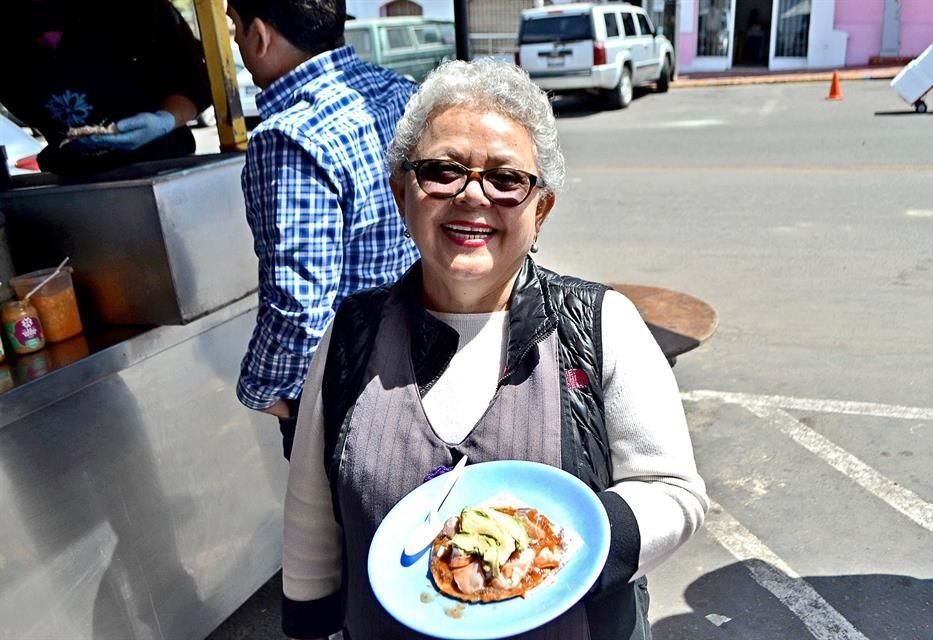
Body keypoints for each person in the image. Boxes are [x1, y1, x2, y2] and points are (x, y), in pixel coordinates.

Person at [282, 59, 709, 639]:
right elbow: (311, 521)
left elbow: (672, 492)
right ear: (402, 192)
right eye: (442, 171)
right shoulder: (350, 334)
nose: (472, 197)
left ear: (541, 209)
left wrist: (550, 549)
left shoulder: (602, 324)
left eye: (506, 179)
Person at [227, 0, 419, 460]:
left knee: (340, 530)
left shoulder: (289, 136)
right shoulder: (400, 91)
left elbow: (298, 307)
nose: (234, 41)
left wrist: (262, 389)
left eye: (234, 27)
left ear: (260, 34)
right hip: (419, 362)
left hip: (344, 398)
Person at [0, 0, 211, 175]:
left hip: (163, 166)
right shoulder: (13, 26)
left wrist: (164, 120)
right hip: (71, 176)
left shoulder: (141, 8)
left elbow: (194, 79)